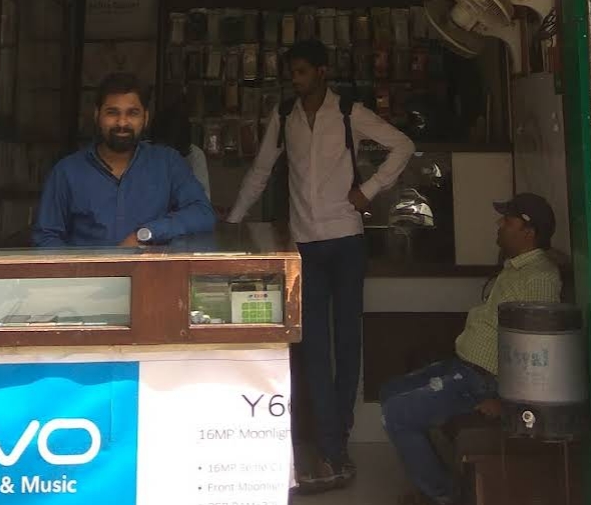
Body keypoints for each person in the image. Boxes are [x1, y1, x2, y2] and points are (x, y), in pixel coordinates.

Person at [227, 38, 415, 493]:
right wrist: (232, 223)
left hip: (347, 240)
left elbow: (403, 145)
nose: (296, 80)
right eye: (292, 72)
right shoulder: (284, 116)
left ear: (322, 72)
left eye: (303, 72)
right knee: (313, 347)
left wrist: (369, 190)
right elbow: (261, 170)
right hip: (305, 245)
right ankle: (330, 446)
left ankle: (337, 443)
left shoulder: (349, 112)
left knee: (347, 344)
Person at [380, 194, 562, 505]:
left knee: (397, 413)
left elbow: (538, 349)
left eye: (508, 221)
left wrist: (507, 401)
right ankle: (439, 483)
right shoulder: (517, 268)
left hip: (483, 382)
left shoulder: (539, 277)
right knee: (390, 392)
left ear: (528, 232)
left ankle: (444, 495)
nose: (499, 224)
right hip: (465, 368)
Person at [33, 72, 215, 247]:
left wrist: (146, 233)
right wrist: (79, 267)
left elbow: (202, 213)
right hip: (86, 269)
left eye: (132, 113)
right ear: (97, 115)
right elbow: (46, 237)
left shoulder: (167, 163)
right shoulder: (67, 171)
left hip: (149, 269)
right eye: (112, 113)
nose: (122, 123)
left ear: (145, 118)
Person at [150, 98, 211, 198]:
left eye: (173, 151)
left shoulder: (195, 155)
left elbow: (203, 199)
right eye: (163, 148)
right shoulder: (141, 155)